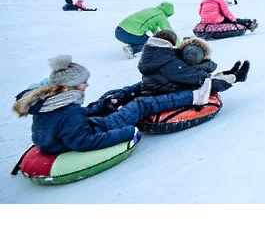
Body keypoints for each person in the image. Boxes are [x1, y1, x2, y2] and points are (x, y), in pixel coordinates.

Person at [12, 54, 213, 155]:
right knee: (141, 104)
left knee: (110, 96)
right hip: (85, 134)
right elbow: (82, 142)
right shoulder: (68, 111)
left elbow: (75, 118)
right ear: (70, 86)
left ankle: (155, 85)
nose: (87, 85)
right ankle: (195, 96)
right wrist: (127, 132)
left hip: (65, 134)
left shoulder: (50, 100)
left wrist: (103, 105)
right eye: (83, 83)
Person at [135, 31, 250, 97]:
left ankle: (229, 73)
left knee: (199, 77)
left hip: (159, 88)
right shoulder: (170, 62)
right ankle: (236, 77)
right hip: (166, 93)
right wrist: (234, 78)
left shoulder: (154, 55)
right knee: (206, 83)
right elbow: (198, 78)